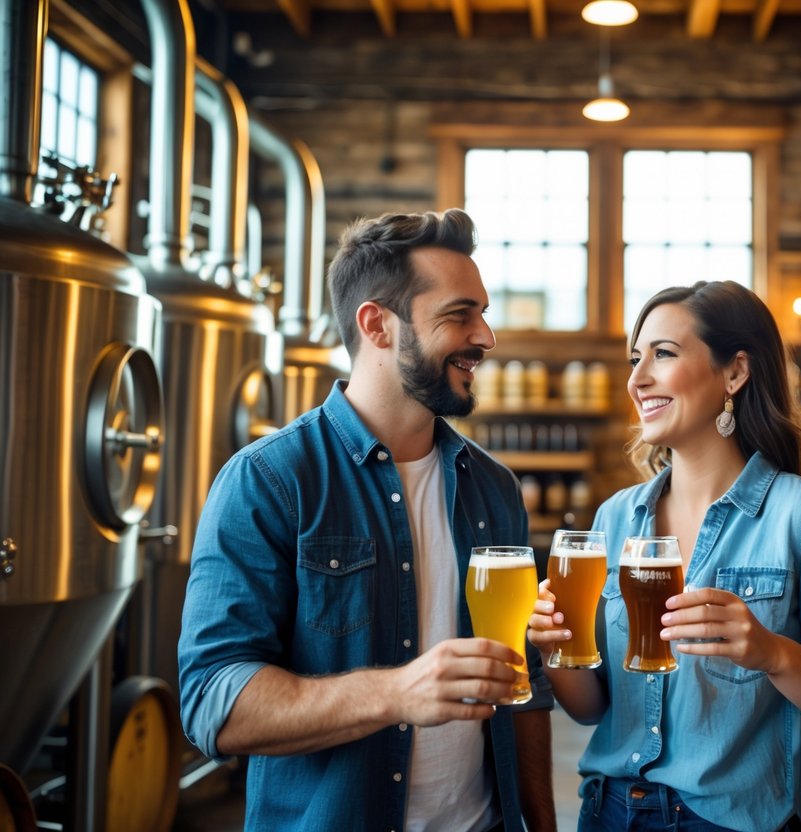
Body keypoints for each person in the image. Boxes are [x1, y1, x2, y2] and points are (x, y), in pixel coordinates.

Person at [179, 208, 556, 832]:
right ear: (377, 325)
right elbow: (213, 703)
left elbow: (525, 681)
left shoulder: (494, 488)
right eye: (460, 314)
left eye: (483, 314)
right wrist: (396, 693)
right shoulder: (269, 480)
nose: (486, 337)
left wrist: (540, 822)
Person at [528, 280, 801, 831]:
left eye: (663, 354)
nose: (637, 378)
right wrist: (555, 649)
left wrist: (773, 654)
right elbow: (593, 708)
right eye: (635, 358)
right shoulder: (615, 519)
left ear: (735, 372)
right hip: (608, 812)